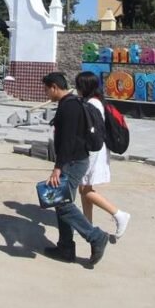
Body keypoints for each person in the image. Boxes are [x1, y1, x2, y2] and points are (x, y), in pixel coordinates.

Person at [40, 72, 109, 267]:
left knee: (61, 203)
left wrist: (57, 168)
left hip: (73, 162)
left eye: (46, 89)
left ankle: (96, 237)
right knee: (62, 202)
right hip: (75, 160)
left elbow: (68, 141)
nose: (46, 93)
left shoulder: (69, 107)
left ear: (54, 87)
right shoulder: (70, 103)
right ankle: (65, 248)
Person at [75, 71, 131, 238]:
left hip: (94, 151)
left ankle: (119, 214)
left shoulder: (92, 104)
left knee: (86, 190)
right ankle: (87, 225)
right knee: (84, 188)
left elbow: (93, 132)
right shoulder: (97, 101)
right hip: (96, 149)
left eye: (78, 85)